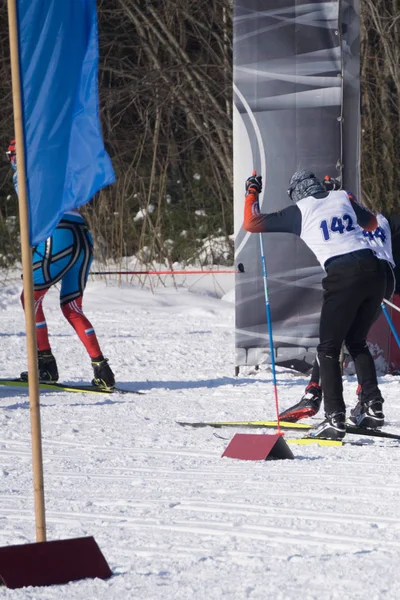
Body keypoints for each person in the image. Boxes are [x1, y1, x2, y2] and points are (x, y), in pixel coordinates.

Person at [243, 169, 386, 440]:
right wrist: (348, 199)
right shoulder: (342, 196)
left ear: (297, 193)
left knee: (328, 349)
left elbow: (252, 223)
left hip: (343, 274)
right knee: (356, 343)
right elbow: (371, 225)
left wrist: (252, 191)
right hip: (373, 271)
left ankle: (334, 419)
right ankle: (373, 407)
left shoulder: (300, 209)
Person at [279, 176, 397, 428]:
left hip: (358, 273)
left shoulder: (346, 215)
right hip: (382, 276)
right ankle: (369, 402)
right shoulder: (370, 216)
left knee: (331, 343)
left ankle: (317, 397)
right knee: (352, 341)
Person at [7, 138, 115, 390]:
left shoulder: (24, 174)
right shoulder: (57, 168)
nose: (11, 160)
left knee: (30, 298)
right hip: (82, 235)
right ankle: (102, 369)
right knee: (72, 307)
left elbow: (32, 211)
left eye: (12, 154)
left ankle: (45, 365)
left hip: (59, 234)